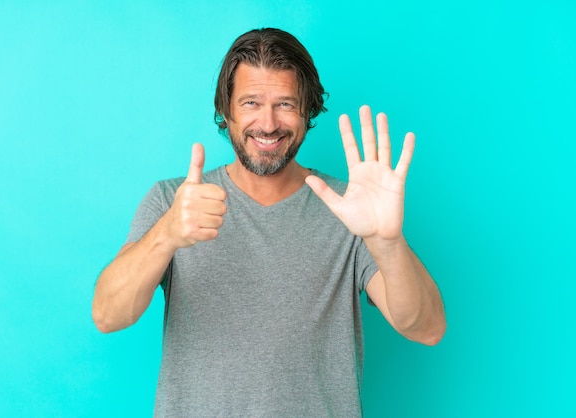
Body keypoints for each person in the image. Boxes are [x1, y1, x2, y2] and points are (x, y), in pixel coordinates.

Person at [92, 27, 446, 417]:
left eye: (286, 105)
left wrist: (387, 242)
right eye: (250, 103)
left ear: (308, 112)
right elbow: (108, 315)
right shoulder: (173, 202)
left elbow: (426, 328)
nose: (268, 123)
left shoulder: (351, 209)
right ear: (225, 112)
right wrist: (167, 234)